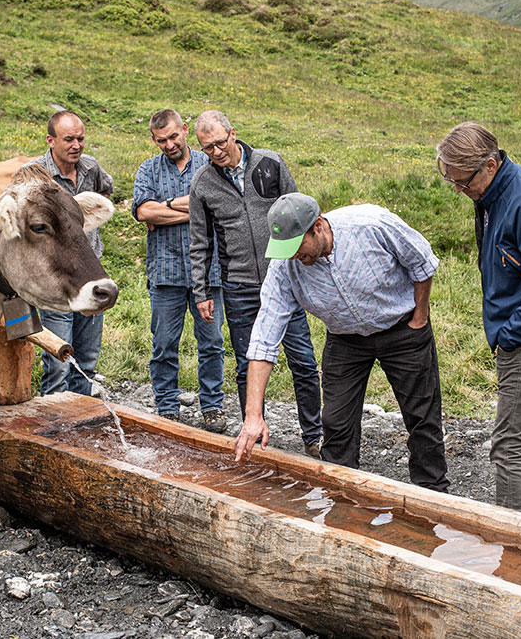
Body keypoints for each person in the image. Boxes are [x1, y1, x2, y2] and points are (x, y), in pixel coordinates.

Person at [233, 193, 450, 492]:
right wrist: (253, 415)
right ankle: (339, 497)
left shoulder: (371, 224)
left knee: (421, 416)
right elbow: (265, 337)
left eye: (298, 246)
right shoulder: (285, 267)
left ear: (318, 226)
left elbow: (422, 262)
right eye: (286, 250)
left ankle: (434, 496)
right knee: (335, 423)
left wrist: (420, 318)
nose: (294, 256)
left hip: (402, 329)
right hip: (345, 339)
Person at [436, 121, 521, 523]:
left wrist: (510, 336)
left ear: (490, 165)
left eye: (463, 182)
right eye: (454, 183)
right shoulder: (492, 193)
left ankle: (512, 542)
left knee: (508, 444)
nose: (460, 191)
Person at [188, 110, 323, 458]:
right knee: (247, 362)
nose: (216, 152)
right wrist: (201, 291)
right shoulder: (202, 183)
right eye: (207, 148)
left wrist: (307, 268)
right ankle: (255, 427)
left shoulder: (270, 164)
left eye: (220, 143)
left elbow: (298, 212)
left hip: (284, 280)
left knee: (303, 360)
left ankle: (315, 435)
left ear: (233, 134)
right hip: (238, 286)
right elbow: (200, 240)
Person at [132, 109, 226, 432]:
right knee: (163, 344)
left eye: (174, 136)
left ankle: (212, 405)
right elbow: (145, 212)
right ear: (154, 140)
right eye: (161, 140)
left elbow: (218, 206)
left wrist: (166, 206)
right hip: (166, 273)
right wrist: (193, 208)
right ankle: (167, 405)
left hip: (208, 274)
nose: (169, 144)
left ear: (185, 130)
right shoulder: (148, 169)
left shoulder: (210, 164)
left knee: (211, 342)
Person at [26, 110, 114, 396]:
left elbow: (105, 192)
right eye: (69, 139)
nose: (76, 145)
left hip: (90, 274)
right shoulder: (33, 175)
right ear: (51, 140)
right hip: (56, 278)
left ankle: (80, 418)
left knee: (87, 359)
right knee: (58, 359)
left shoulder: (90, 168)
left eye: (81, 139)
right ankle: (53, 422)